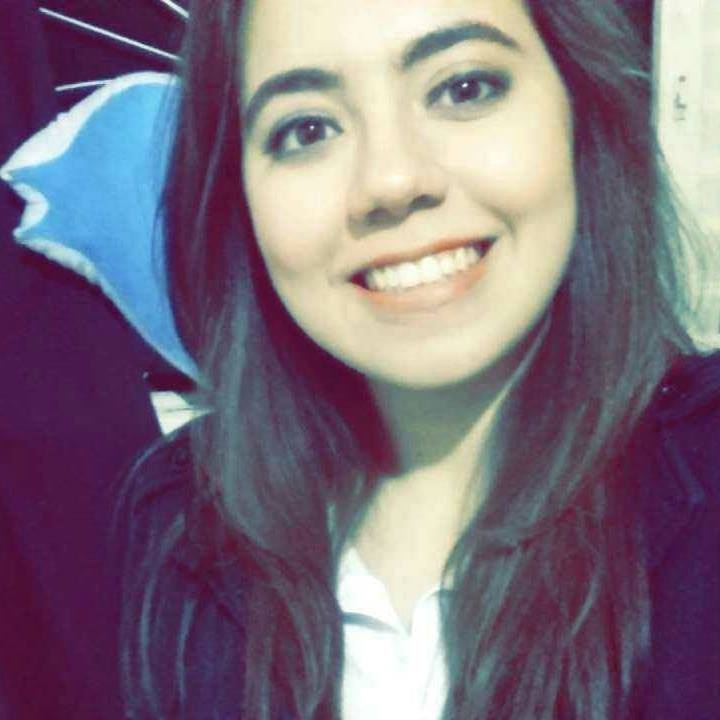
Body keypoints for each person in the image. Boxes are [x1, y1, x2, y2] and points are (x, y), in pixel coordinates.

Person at [119, 0, 720, 718]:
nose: (392, 181)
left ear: (579, 109)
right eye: (307, 129)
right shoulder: (179, 520)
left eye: (463, 88)